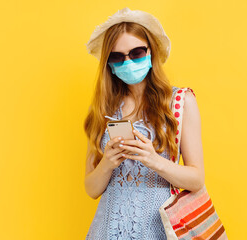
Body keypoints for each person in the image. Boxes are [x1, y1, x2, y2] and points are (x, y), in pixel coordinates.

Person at [83, 7, 204, 239]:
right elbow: (91, 189)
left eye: (137, 52)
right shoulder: (103, 109)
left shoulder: (180, 101)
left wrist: (153, 160)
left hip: (157, 231)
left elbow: (197, 180)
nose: (127, 62)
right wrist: (107, 162)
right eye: (117, 57)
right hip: (106, 231)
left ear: (151, 52)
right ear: (108, 64)